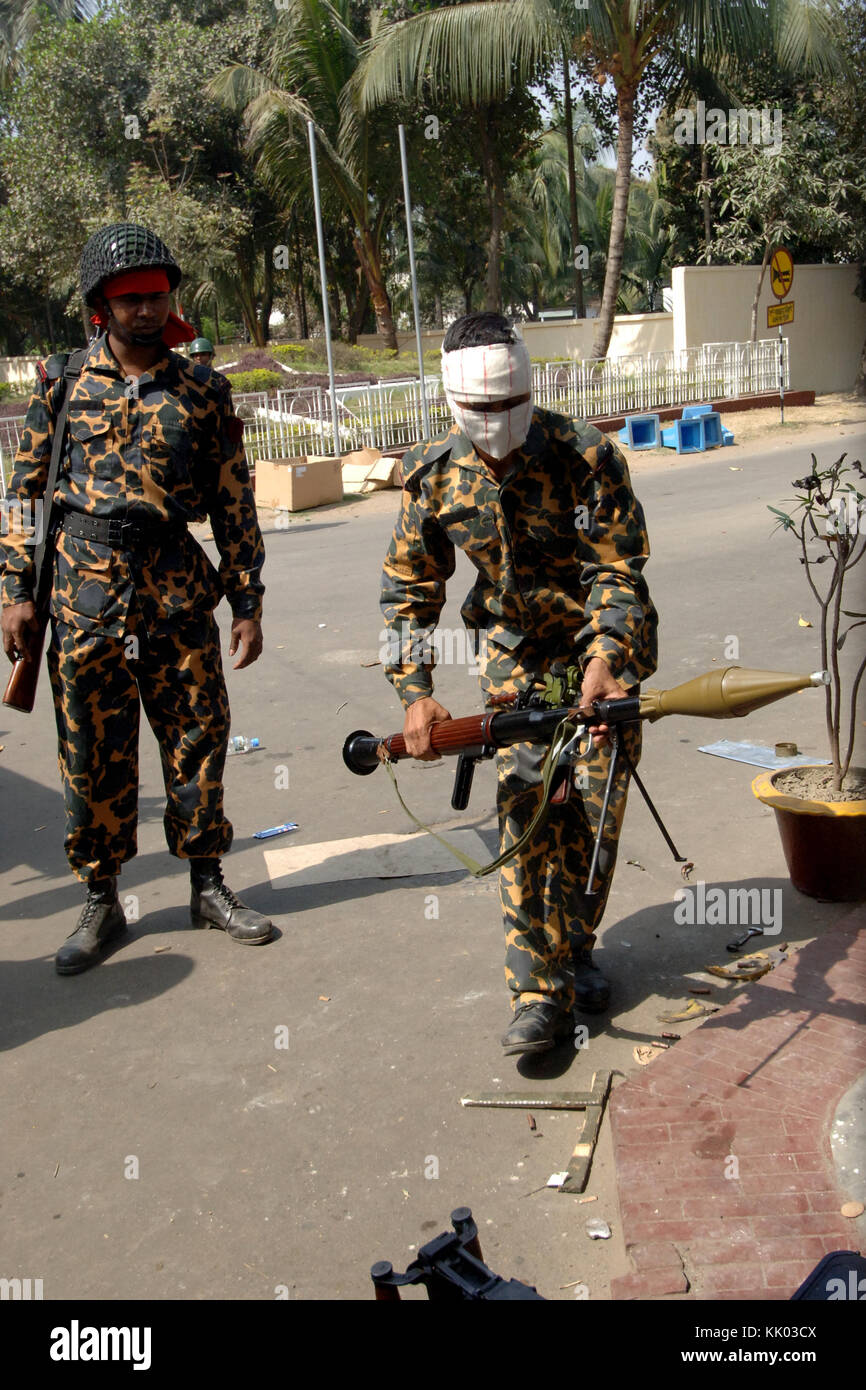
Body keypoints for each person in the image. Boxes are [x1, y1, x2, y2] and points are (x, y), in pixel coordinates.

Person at [379, 312, 658, 1055]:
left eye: (509, 405)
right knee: (527, 815)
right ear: (451, 401)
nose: (495, 423)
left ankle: (575, 947)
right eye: (480, 409)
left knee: (592, 822)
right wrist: (416, 690)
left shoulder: (586, 457)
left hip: (602, 652)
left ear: (529, 388)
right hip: (517, 662)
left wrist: (603, 658)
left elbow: (617, 572)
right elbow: (408, 591)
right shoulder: (433, 475)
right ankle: (538, 995)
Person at [0, 222, 273, 974]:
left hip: (177, 592)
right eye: (131, 300)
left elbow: (233, 504)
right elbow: (23, 495)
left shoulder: (203, 391)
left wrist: (246, 600)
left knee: (197, 739)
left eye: (157, 297)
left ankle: (208, 884)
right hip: (84, 595)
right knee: (92, 752)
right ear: (102, 306)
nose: (148, 311)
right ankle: (101, 901)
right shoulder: (60, 383)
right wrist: (14, 591)